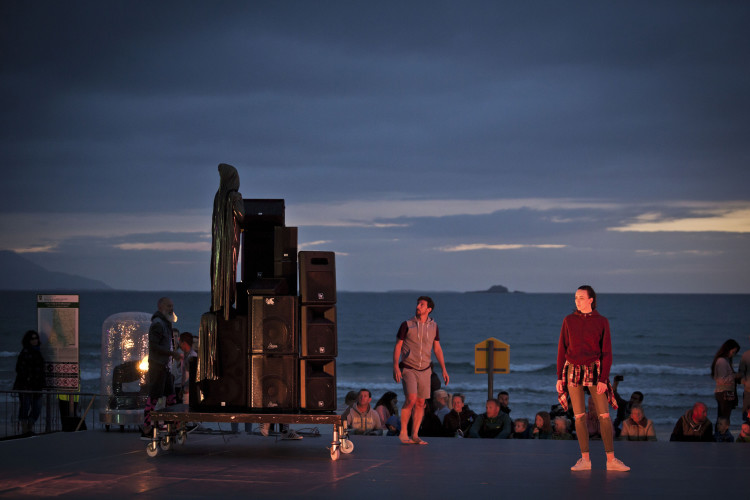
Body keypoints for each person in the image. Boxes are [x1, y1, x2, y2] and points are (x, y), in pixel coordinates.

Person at [556, 285, 629, 471]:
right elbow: (562, 349)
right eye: (575, 297)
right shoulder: (568, 320)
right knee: (579, 417)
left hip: (594, 371)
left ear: (591, 300)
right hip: (572, 369)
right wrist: (559, 377)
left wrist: (604, 379)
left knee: (604, 416)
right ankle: (585, 460)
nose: (577, 301)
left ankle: (611, 460)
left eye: (581, 297)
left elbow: (607, 352)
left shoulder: (602, 321)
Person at [393, 296, 449, 445]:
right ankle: (403, 431)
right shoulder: (406, 325)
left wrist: (444, 369)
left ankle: (415, 435)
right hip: (408, 368)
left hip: (426, 369)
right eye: (418, 304)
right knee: (411, 399)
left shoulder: (434, 326)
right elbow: (398, 346)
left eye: (422, 304)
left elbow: (437, 348)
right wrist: (395, 367)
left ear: (428, 309)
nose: (418, 306)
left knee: (420, 402)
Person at [142, 297, 181, 438]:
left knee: (171, 397)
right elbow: (153, 346)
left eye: (172, 306)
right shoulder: (158, 324)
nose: (171, 308)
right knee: (154, 396)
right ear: (160, 307)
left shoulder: (166, 323)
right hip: (158, 366)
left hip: (165, 366)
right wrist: (172, 353)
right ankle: (146, 427)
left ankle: (172, 426)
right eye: (169, 306)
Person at [13, 330, 46, 435]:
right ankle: (25, 428)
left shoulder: (38, 352)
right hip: (25, 385)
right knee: (25, 406)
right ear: (28, 340)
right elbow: (19, 368)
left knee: (37, 407)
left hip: (37, 385)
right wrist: (27, 378)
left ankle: (29, 426)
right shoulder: (25, 352)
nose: (35, 340)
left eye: (36, 338)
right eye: (32, 338)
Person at [711, 339, 740, 430]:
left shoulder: (724, 361)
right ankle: (720, 436)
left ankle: (720, 436)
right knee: (724, 418)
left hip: (725, 391)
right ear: (728, 349)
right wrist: (735, 376)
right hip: (724, 392)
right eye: (733, 352)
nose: (733, 354)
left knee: (723, 418)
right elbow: (721, 379)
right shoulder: (722, 361)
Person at [173, 332, 197, 404]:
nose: (179, 345)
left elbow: (193, 376)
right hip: (185, 390)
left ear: (184, 343)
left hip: (188, 391)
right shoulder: (186, 356)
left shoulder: (192, 357)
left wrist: (185, 387)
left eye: (180, 343)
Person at [738, 335, 750, 418]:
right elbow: (741, 372)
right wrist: (744, 382)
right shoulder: (746, 355)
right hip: (748, 390)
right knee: (746, 416)